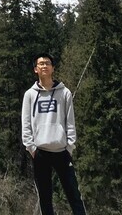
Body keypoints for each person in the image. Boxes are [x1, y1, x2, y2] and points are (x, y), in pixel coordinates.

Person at [21, 53, 87, 215]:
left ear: (53, 68)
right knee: (45, 198)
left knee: (74, 196)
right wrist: (31, 148)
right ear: (35, 69)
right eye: (41, 64)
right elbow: (26, 124)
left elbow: (70, 122)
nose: (44, 66)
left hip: (61, 151)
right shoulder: (30, 95)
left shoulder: (64, 93)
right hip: (40, 152)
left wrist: (69, 147)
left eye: (48, 63)